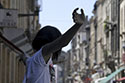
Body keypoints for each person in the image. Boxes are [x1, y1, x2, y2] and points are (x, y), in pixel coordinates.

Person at [22, 8, 85, 83]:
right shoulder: (41, 56)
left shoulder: (34, 61)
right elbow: (62, 42)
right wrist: (78, 25)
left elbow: (26, 59)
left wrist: (23, 57)